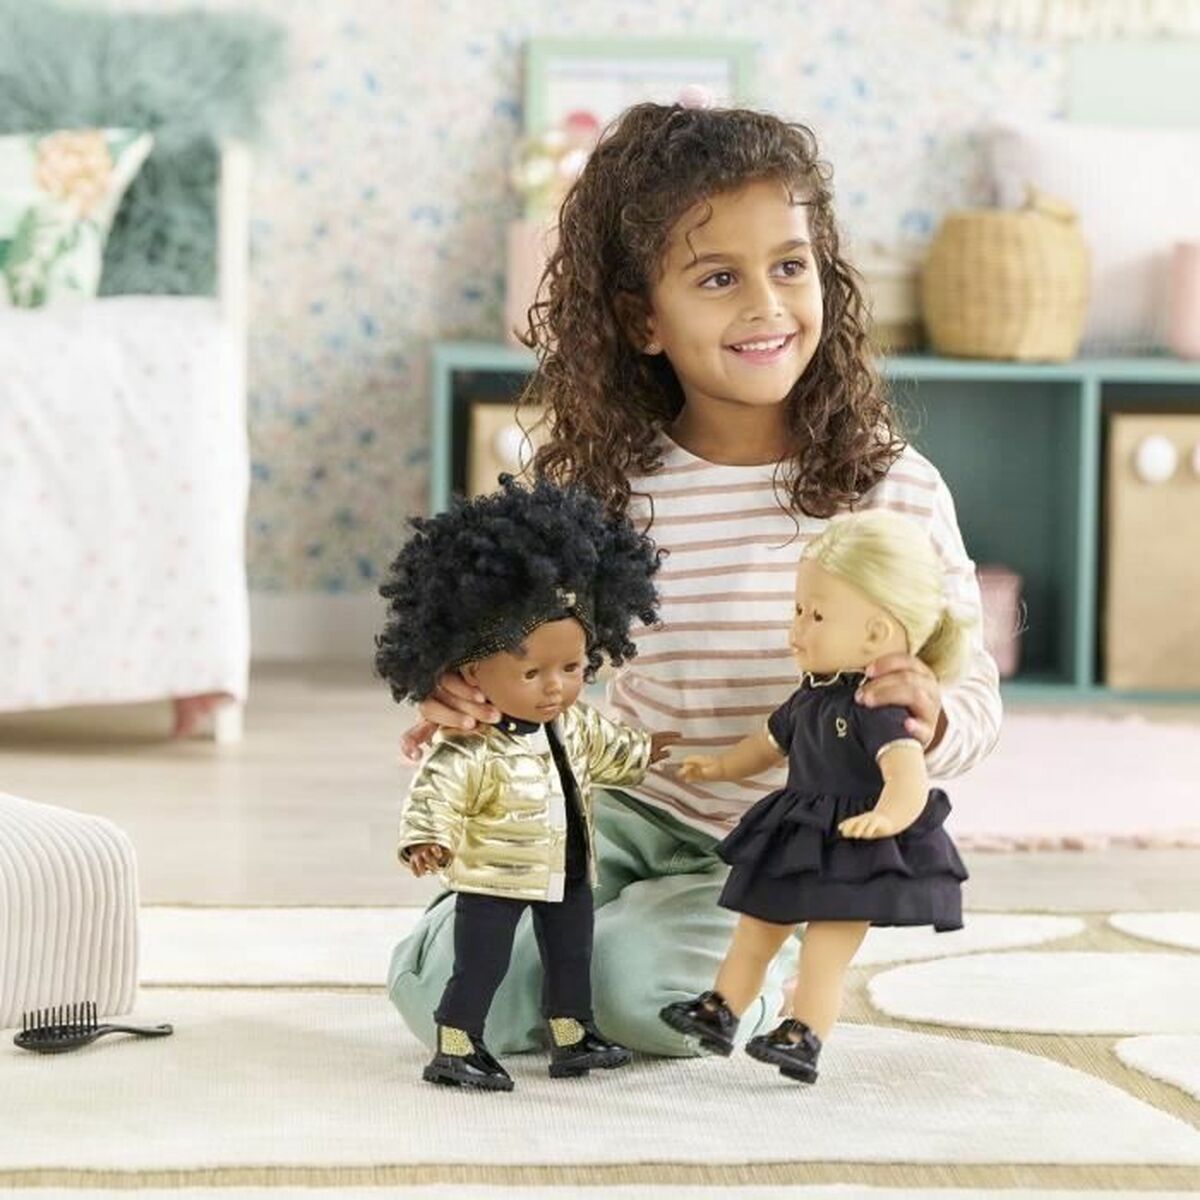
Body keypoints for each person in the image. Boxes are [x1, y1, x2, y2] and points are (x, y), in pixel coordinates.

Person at [390, 102, 1001, 1057]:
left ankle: (756, 960)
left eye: (789, 266)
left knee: (637, 994)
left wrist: (931, 715)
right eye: (719, 278)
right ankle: (612, 935)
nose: (766, 305)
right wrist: (470, 689)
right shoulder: (605, 488)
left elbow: (975, 694)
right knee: (442, 992)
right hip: (627, 807)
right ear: (643, 318)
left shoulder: (890, 490)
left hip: (781, 834)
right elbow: (532, 657)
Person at [377, 475, 676, 1090]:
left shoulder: (574, 723)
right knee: (480, 963)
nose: (555, 687)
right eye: (532, 673)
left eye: (572, 667)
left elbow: (611, 748)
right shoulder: (473, 743)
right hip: (495, 877)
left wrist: (647, 750)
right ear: (472, 673)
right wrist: (426, 839)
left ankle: (572, 1033)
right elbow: (435, 790)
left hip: (570, 867)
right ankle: (457, 1044)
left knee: (572, 955)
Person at [661, 510, 971, 1083]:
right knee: (755, 928)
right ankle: (721, 1009)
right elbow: (766, 744)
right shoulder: (809, 697)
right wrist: (720, 766)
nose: (797, 628)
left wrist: (887, 818)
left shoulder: (876, 706)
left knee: (823, 953)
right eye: (798, 610)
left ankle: (804, 1035)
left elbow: (907, 777)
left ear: (876, 634)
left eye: (817, 615)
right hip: (798, 832)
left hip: (854, 848)